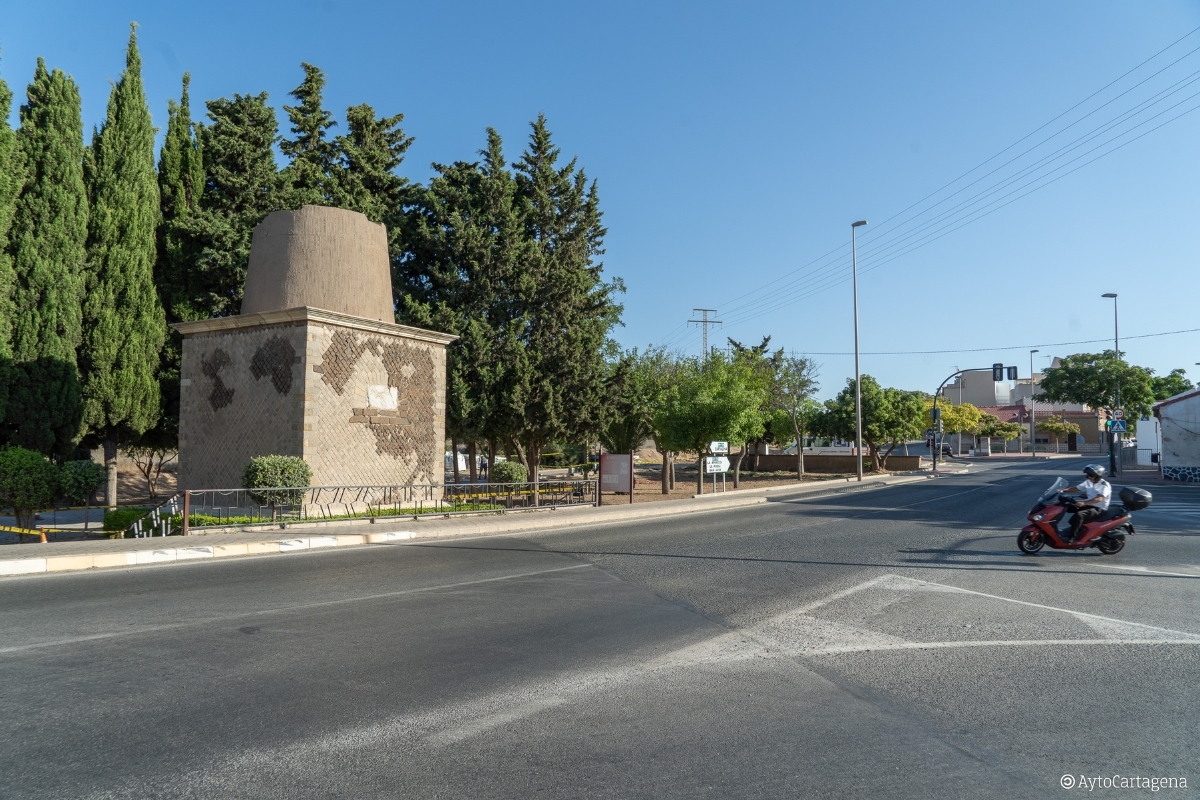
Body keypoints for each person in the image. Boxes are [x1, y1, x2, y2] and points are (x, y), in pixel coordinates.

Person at [1061, 464, 1111, 541]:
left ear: (1098, 475)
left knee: (1080, 515)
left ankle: (1072, 537)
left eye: (1090, 475)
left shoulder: (1104, 485)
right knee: (1066, 506)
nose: (1088, 477)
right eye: (1087, 475)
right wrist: (1063, 490)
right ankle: (1075, 528)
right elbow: (1076, 488)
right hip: (1089, 505)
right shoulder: (1088, 482)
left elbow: (1099, 499)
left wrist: (1084, 503)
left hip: (1099, 509)